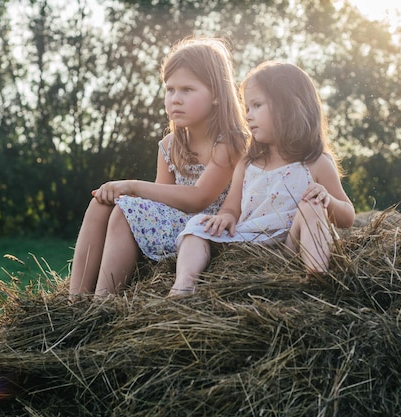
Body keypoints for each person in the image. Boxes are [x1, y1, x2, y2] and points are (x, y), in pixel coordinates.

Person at [68, 37, 250, 298]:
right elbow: (161, 199)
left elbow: (199, 199)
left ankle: (102, 304)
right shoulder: (169, 145)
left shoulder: (229, 143)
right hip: (177, 222)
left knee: (124, 211)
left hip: (206, 229)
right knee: (101, 204)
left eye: (187, 89)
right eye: (170, 89)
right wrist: (128, 195)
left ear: (217, 96)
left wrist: (130, 186)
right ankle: (74, 304)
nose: (175, 99)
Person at [171, 61, 355, 296]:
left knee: (313, 206)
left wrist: (326, 198)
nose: (248, 116)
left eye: (256, 106)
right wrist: (225, 217)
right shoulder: (249, 163)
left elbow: (348, 217)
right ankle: (184, 284)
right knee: (197, 225)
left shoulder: (315, 162)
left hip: (291, 246)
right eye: (247, 108)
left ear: (289, 107)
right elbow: (231, 207)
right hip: (249, 243)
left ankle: (316, 280)